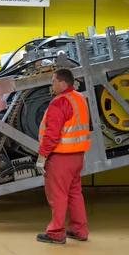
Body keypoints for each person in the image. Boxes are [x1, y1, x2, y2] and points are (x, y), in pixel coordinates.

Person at [35, 68, 90, 244]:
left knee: (57, 195)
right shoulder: (79, 98)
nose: (51, 85)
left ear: (63, 83)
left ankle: (56, 233)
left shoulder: (59, 103)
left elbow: (52, 135)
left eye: (53, 81)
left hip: (61, 157)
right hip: (77, 155)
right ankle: (79, 230)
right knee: (75, 193)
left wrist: (42, 158)